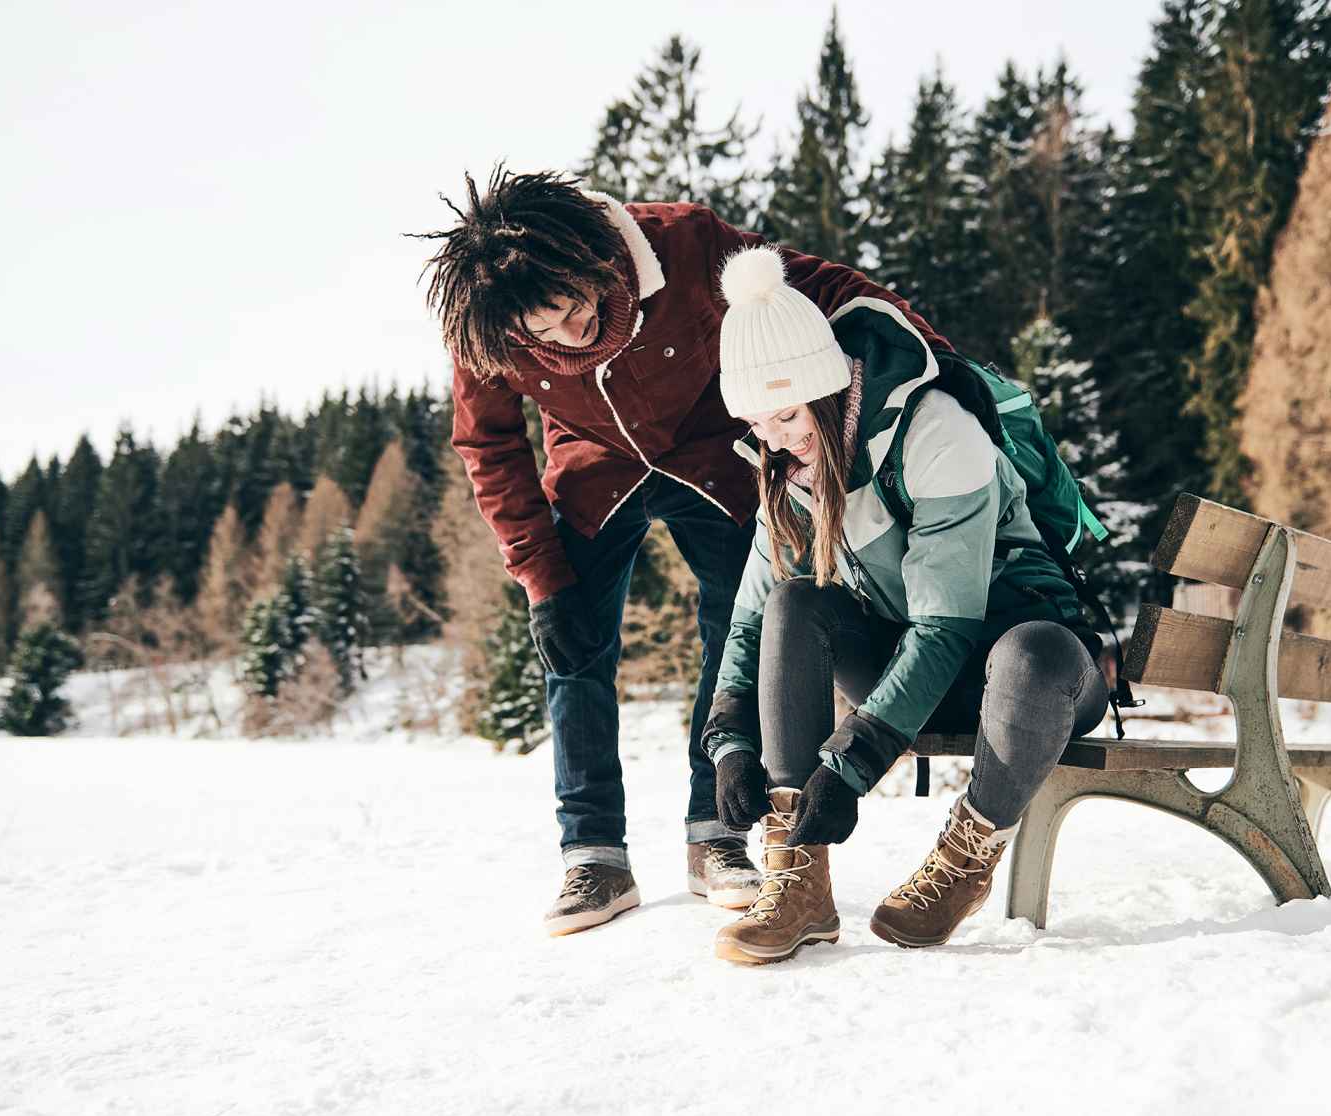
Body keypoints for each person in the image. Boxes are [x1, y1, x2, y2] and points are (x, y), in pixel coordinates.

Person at [419, 169, 945, 936]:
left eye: (576, 305)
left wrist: (927, 348)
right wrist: (539, 576)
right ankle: (593, 854)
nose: (572, 331)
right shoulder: (490, 328)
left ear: (595, 260)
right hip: (594, 474)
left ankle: (717, 833)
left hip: (716, 460)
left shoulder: (685, 244)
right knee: (571, 640)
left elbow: (813, 290)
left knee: (736, 634)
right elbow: (488, 445)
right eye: (549, 329)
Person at [701, 246, 1109, 965]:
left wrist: (855, 759)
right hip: (920, 681)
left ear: (827, 388)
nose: (776, 440)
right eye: (757, 424)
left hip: (1036, 682)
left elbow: (945, 627)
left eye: (788, 414)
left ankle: (968, 849)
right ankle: (798, 876)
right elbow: (750, 617)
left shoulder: (936, 432)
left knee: (1033, 651)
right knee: (797, 603)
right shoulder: (786, 469)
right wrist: (729, 742)